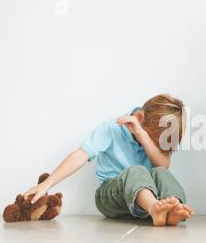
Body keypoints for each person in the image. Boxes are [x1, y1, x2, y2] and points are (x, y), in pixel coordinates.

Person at [23, 94, 193, 227]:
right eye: (154, 141)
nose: (154, 148)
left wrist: (143, 136)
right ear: (139, 118)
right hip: (111, 197)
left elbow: (163, 164)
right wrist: (46, 184)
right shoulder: (111, 129)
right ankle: (155, 208)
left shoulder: (152, 136)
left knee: (161, 172)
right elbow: (80, 156)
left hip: (143, 200)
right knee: (136, 170)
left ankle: (172, 208)